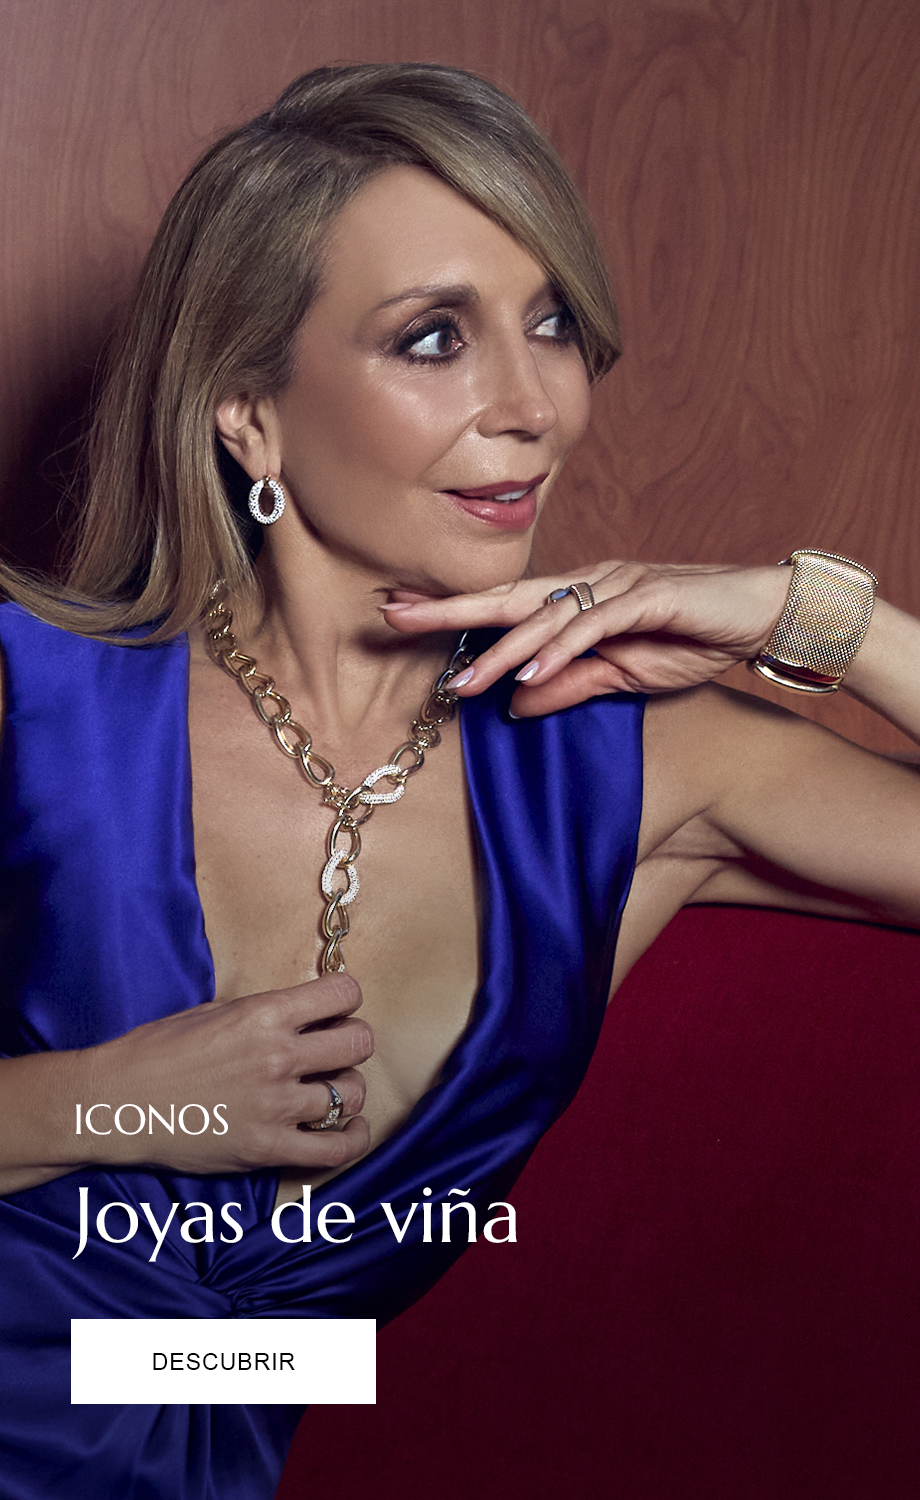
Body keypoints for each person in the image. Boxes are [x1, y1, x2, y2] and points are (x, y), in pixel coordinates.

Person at [0, 60, 918, 1499]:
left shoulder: (638, 768)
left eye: (551, 325)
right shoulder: (32, 702)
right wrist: (106, 1104)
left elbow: (210, 1357)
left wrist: (816, 620)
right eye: (433, 337)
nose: (535, 403)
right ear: (249, 411)